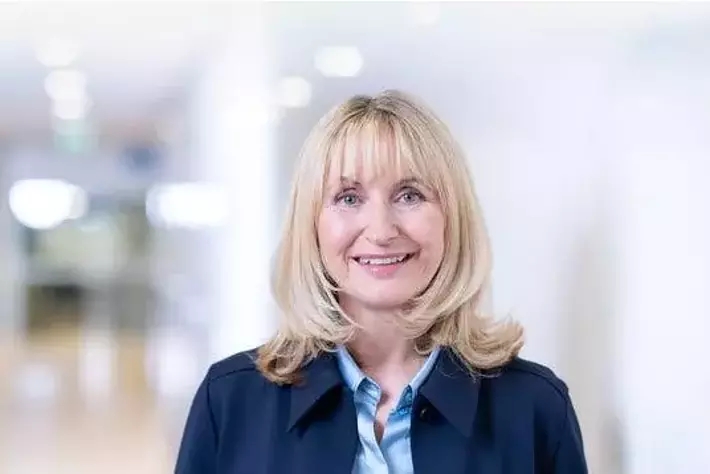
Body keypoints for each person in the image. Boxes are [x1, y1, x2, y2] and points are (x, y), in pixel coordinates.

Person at [174, 90, 587, 474]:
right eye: (349, 198)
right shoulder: (229, 402)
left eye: (409, 195)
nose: (381, 230)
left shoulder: (534, 408)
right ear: (311, 225)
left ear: (453, 219)